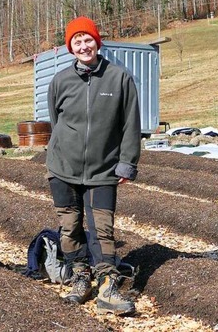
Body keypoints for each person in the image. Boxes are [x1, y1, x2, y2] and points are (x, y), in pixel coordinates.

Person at [46, 16, 141, 315]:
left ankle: (107, 285)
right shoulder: (61, 80)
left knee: (103, 229)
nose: (84, 45)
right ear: (70, 47)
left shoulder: (119, 78)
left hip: (103, 170)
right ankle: (80, 276)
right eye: (77, 41)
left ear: (97, 43)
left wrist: (126, 163)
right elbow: (55, 120)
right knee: (69, 226)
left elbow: (130, 124)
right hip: (63, 168)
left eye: (88, 40)